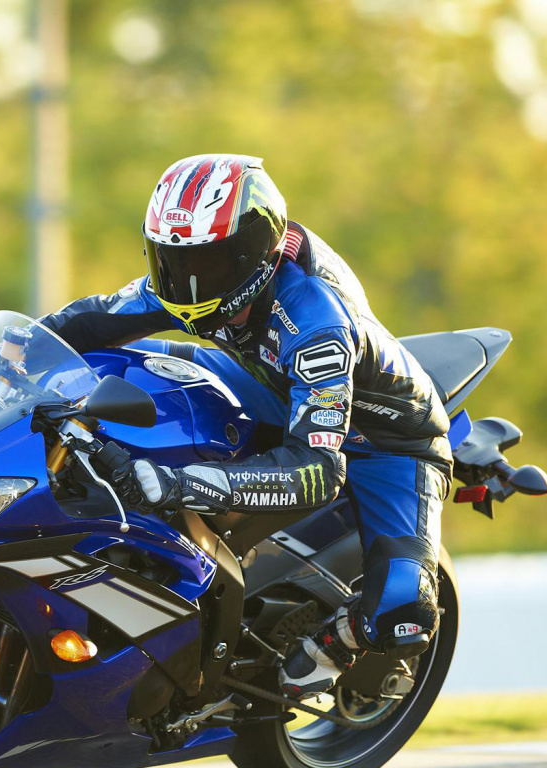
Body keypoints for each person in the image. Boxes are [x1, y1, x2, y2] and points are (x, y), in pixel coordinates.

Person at [38, 153, 451, 697]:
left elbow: (317, 470)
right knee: (108, 370)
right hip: (261, 382)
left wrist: (177, 484)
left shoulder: (314, 321)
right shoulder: (198, 283)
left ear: (255, 254)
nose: (184, 286)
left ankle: (334, 644)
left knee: (404, 609)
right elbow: (84, 321)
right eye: (169, 261)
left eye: (205, 266)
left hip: (385, 442)